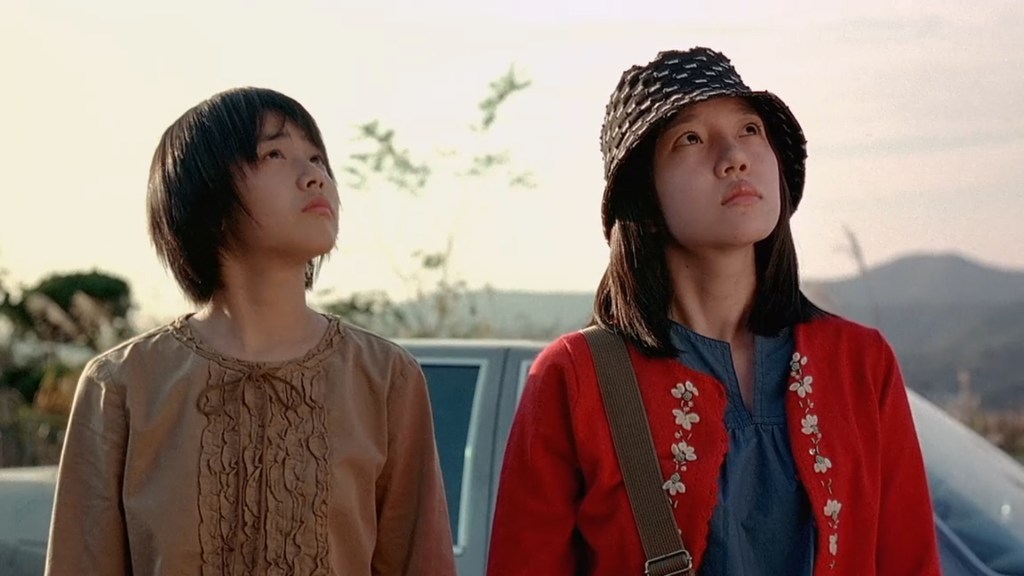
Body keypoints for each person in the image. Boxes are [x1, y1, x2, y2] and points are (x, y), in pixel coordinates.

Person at [487, 47, 941, 575]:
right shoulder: (575, 378)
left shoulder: (860, 362)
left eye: (749, 129)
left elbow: (911, 562)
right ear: (643, 199)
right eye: (691, 138)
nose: (734, 157)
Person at [45, 87, 456, 576]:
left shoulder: (386, 378)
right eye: (274, 154)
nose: (315, 177)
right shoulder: (122, 385)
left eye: (318, 159)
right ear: (205, 190)